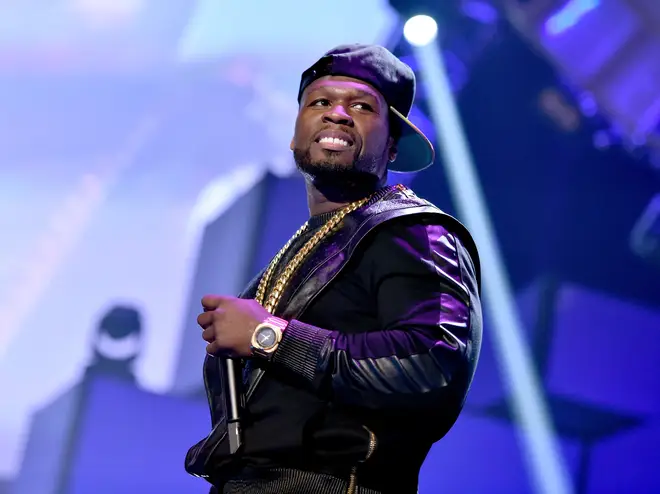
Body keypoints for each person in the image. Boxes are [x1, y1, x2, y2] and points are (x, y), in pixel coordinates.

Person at [186, 44, 482, 494]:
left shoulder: (412, 232)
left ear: (393, 144)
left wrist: (270, 337)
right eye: (320, 102)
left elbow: (432, 363)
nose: (337, 114)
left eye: (361, 106)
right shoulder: (308, 244)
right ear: (295, 132)